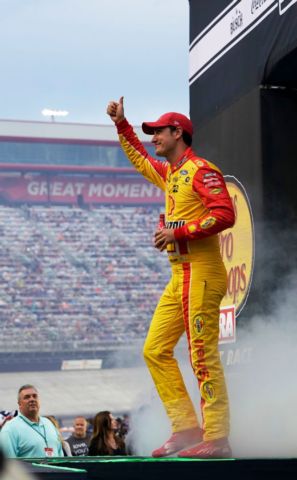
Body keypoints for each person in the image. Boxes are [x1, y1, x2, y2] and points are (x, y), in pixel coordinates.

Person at [106, 97, 235, 458]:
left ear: (178, 132)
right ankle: (186, 428)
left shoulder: (201, 170)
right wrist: (122, 125)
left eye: (158, 131)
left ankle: (218, 438)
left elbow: (225, 215)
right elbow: (140, 158)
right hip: (181, 274)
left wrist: (176, 233)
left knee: (201, 354)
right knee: (155, 350)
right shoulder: (172, 174)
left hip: (203, 272)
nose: (153, 138)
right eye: (151, 133)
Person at [0, 385, 63, 458]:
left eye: (34, 396)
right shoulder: (10, 429)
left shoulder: (49, 424)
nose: (32, 399)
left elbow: (60, 454)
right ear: (19, 404)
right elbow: (8, 465)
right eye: (27, 397)